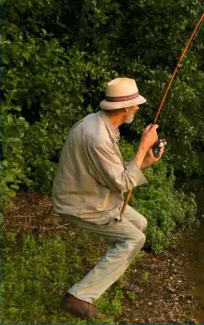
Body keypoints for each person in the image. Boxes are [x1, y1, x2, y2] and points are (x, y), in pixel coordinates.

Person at [52, 77, 166, 321]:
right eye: (135, 105)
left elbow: (113, 174)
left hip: (95, 195)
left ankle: (109, 278)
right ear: (125, 108)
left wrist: (144, 161)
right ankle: (78, 297)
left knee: (140, 224)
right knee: (134, 238)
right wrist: (142, 147)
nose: (137, 108)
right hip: (81, 203)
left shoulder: (102, 125)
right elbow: (121, 183)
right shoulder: (98, 137)